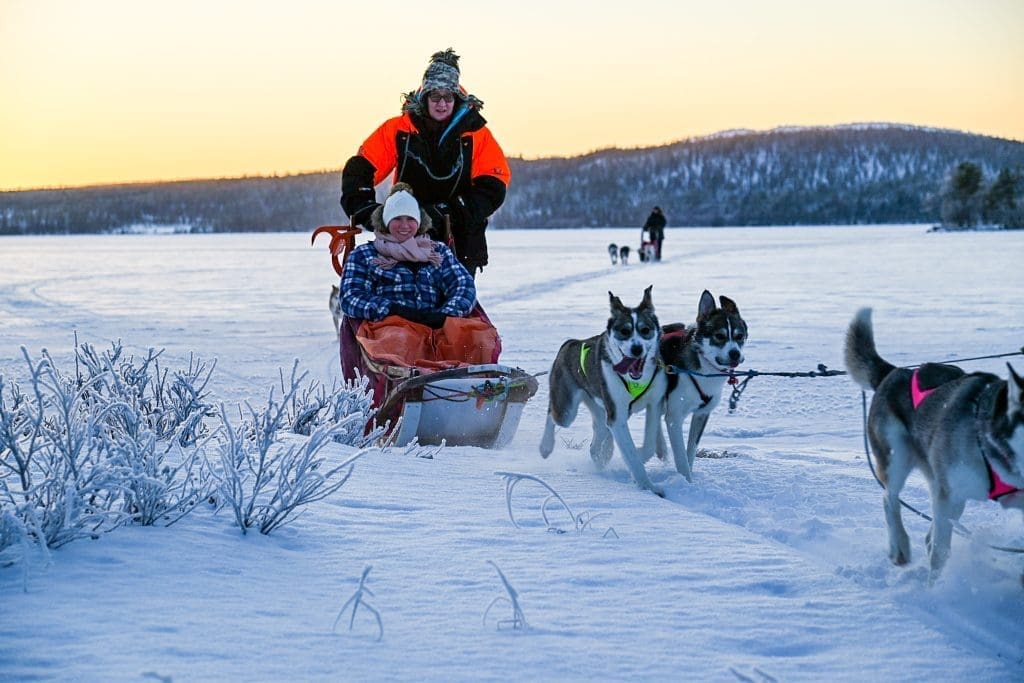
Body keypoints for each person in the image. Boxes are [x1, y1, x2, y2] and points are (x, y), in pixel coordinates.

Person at [340, 48, 510, 277]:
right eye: (435, 96)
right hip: (403, 238)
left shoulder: (476, 134)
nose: (442, 103)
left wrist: (450, 212)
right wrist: (368, 211)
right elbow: (360, 170)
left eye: (448, 96)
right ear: (424, 96)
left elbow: (493, 185)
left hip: (459, 241)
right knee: (401, 300)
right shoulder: (398, 129)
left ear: (456, 98)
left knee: (452, 302)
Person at [340, 183, 477, 329]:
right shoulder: (364, 255)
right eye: (397, 218)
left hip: (437, 327)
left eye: (411, 219)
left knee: (472, 344)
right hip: (386, 332)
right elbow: (350, 296)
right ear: (385, 221)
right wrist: (392, 310)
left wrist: (445, 316)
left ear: (419, 222)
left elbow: (463, 285)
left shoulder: (438, 252)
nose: (404, 226)